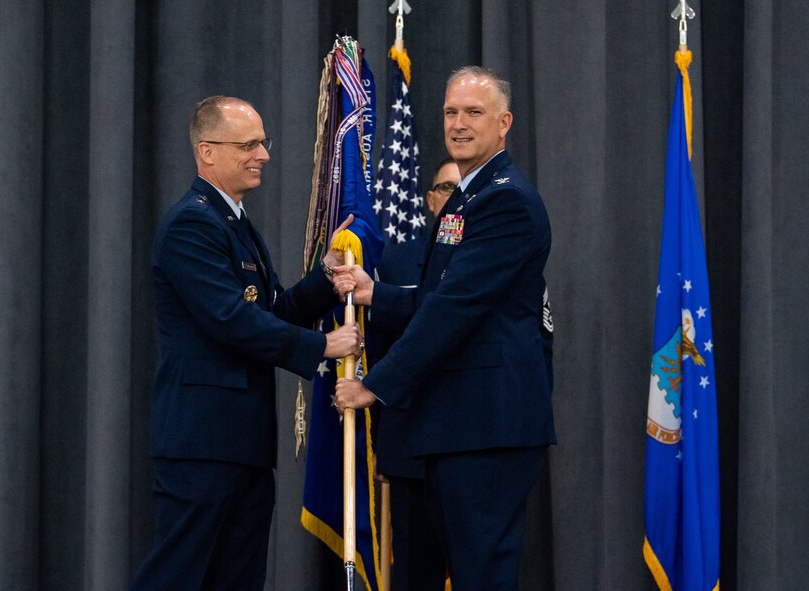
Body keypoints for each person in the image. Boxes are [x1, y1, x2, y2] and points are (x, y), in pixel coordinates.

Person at [333, 67, 555, 590]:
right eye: (451, 112)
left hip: (488, 424)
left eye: (473, 113)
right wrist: (375, 293)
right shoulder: (465, 196)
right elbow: (441, 296)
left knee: (481, 576)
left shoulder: (506, 200)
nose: (458, 124)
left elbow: (456, 306)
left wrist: (376, 384)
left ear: (504, 123)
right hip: (459, 423)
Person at [131, 95, 361, 591]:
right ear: (208, 151)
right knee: (178, 577)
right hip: (201, 443)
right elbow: (230, 320)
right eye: (250, 144)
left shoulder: (235, 222)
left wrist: (325, 278)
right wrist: (323, 348)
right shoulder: (191, 224)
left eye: (264, 142)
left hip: (244, 444)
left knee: (236, 580)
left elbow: (271, 309)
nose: (264, 154)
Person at [372, 157, 460, 590]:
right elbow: (384, 350)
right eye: (446, 189)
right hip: (411, 447)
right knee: (412, 573)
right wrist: (383, 443)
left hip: (473, 442)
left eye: (464, 190)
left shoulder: (500, 248)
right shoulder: (396, 261)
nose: (455, 199)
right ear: (429, 200)